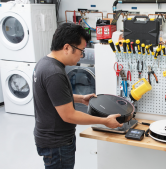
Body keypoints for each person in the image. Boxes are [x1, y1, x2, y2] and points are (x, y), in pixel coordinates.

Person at [33, 23, 123, 169]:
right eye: (81, 51)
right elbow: (69, 115)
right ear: (67, 47)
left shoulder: (44, 63)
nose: (81, 56)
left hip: (50, 139)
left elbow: (52, 96)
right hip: (57, 143)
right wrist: (104, 121)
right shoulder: (54, 73)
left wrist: (80, 98)